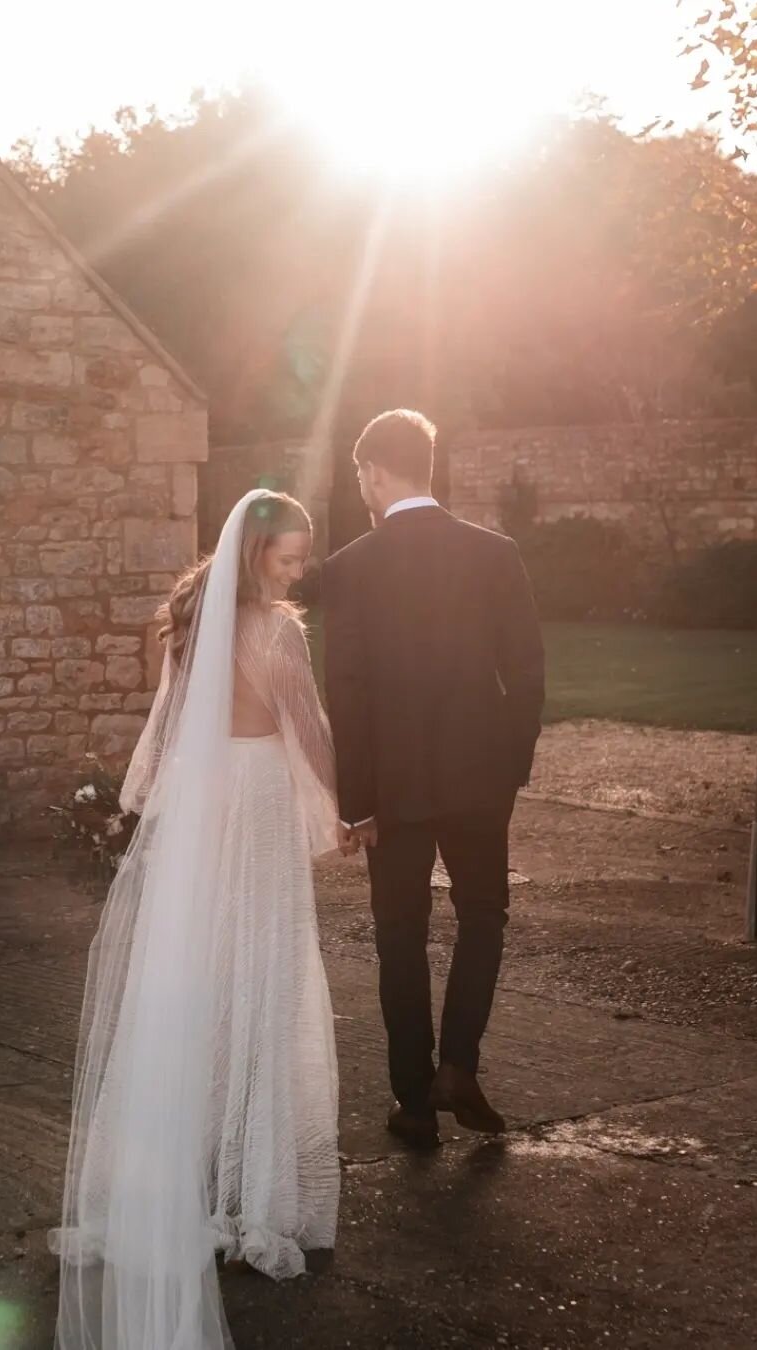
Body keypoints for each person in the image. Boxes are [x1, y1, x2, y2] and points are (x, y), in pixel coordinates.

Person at [50, 490, 343, 1349]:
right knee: (261, 974)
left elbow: (170, 722)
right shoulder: (277, 630)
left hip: (203, 799)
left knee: (195, 978)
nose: (298, 573)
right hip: (252, 800)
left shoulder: (194, 620)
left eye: (301, 558)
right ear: (256, 555)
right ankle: (251, 1193)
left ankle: (176, 1175)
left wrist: (144, 799)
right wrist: (342, 807)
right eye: (288, 559)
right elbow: (308, 726)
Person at [323, 410, 544, 1150]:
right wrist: (509, 766)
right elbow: (528, 672)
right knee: (483, 917)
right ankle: (458, 1064)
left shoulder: (351, 565)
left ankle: (414, 1102)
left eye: (360, 476)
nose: (362, 488)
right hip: (482, 779)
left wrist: (356, 804)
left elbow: (345, 692)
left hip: (392, 788)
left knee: (400, 935)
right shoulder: (495, 553)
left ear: (377, 472)